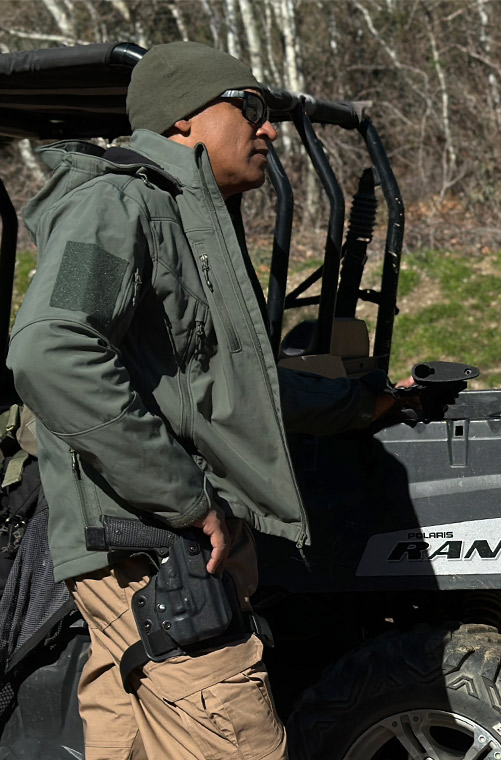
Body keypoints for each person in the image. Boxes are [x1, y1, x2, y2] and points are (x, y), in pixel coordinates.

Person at [7, 41, 407, 760]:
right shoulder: (114, 203)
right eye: (249, 107)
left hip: (156, 551)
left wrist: (359, 403)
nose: (271, 129)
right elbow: (50, 351)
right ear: (183, 121)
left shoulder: (186, 216)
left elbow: (225, 380)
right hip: (153, 550)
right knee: (237, 739)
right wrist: (186, 500)